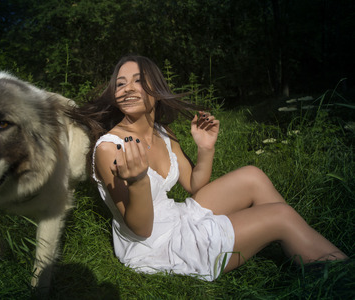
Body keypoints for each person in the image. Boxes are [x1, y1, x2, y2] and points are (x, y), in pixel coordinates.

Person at [70, 55, 348, 281]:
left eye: (138, 81)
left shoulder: (162, 132)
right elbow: (140, 228)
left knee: (253, 176)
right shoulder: (110, 148)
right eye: (120, 84)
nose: (127, 88)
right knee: (281, 216)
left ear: (157, 88)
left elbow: (194, 186)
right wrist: (140, 181)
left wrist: (205, 148)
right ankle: (340, 277)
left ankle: (301, 248)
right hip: (153, 244)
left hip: (174, 216)